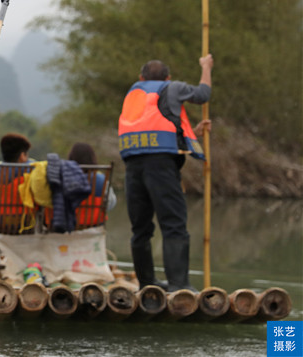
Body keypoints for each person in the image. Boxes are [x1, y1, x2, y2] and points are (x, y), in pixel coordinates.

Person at [118, 54, 213, 292]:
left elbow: (162, 126)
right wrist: (206, 67)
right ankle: (179, 285)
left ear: (141, 78)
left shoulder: (133, 94)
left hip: (133, 167)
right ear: (167, 77)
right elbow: (203, 94)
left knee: (140, 229)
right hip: (160, 166)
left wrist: (196, 133)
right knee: (174, 224)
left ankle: (147, 283)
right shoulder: (173, 87)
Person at [67, 142, 117, 216]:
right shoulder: (100, 179)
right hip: (94, 223)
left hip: (68, 223)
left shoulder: (66, 177)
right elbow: (111, 202)